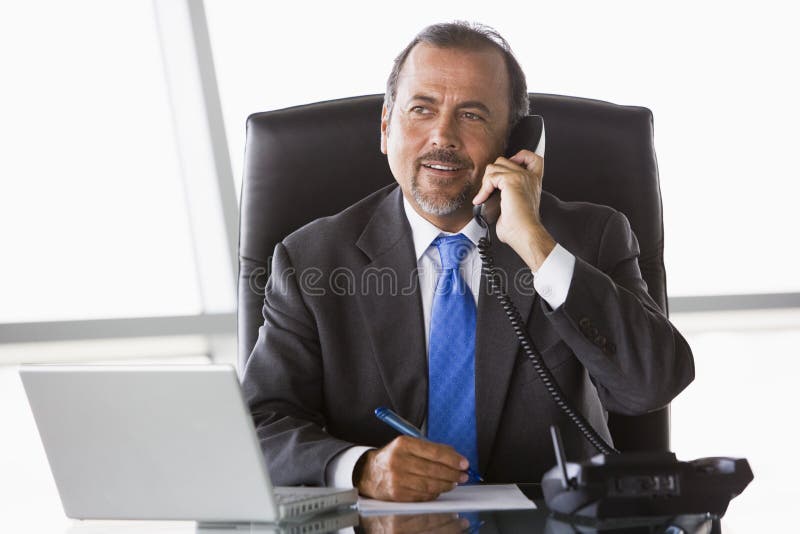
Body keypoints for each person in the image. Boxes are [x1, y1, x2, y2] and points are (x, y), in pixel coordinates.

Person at [241, 21, 694, 502]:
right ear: (385, 127)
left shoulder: (590, 236)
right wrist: (359, 469)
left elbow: (649, 386)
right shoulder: (312, 259)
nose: (443, 136)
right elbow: (260, 427)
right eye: (421, 109)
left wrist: (534, 244)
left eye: (473, 115)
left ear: (517, 141)